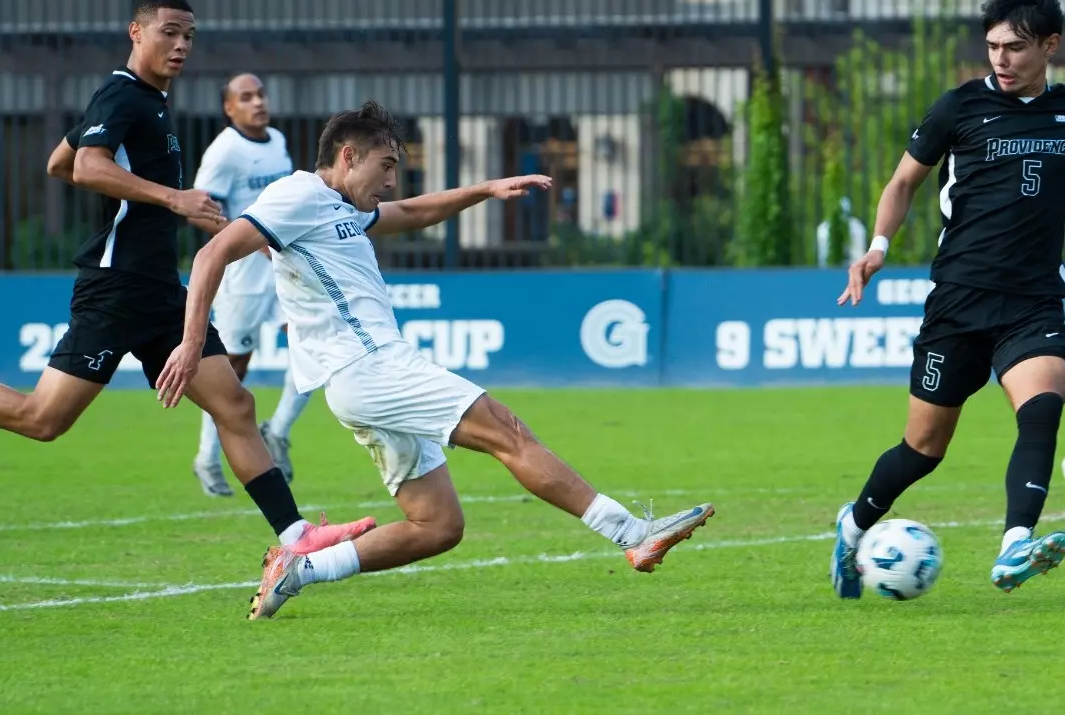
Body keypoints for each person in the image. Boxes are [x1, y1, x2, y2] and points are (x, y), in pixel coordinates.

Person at [0, 0, 375, 556]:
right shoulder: (123, 94)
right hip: (115, 287)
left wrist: (175, 207)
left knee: (235, 405)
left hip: (159, 289)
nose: (182, 45)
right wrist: (173, 197)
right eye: (170, 32)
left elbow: (57, 162)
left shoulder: (147, 102)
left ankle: (293, 535)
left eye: (189, 35)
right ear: (136, 33)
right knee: (42, 418)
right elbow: (87, 165)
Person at [154, 100, 716, 620]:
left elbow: (413, 212)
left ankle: (302, 568)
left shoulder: (339, 207)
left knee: (438, 525)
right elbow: (212, 252)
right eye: (386, 164)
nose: (392, 179)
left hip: (362, 380)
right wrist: (191, 340)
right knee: (507, 431)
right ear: (347, 156)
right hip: (370, 367)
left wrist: (485, 189)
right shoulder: (296, 195)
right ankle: (630, 533)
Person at [831, 0, 1065, 598]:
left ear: (1050, 46)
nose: (1001, 59)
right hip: (958, 301)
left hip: (1034, 298)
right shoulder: (960, 106)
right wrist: (879, 247)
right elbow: (903, 181)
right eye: (993, 47)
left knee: (1041, 408)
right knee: (923, 448)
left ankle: (1016, 543)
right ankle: (854, 524)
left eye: (1015, 47)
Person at [189, 73, 307, 496]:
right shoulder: (224, 151)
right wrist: (248, 237)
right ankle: (206, 456)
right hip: (241, 276)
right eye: (246, 97)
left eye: (260, 94)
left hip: (283, 268)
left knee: (312, 348)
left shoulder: (276, 140)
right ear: (229, 108)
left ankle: (277, 431)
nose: (258, 102)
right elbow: (199, 211)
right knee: (232, 370)